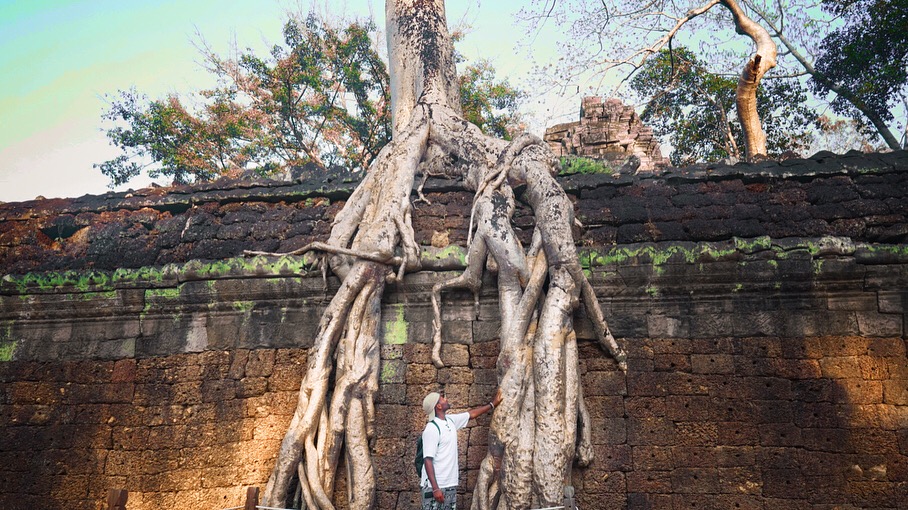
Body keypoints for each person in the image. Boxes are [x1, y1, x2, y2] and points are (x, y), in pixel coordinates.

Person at [420, 387, 503, 510]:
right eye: (442, 398)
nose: (445, 399)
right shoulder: (432, 429)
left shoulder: (450, 421)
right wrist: (436, 488)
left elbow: (471, 414)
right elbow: (427, 460)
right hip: (435, 486)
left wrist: (492, 404)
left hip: (449, 484)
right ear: (438, 406)